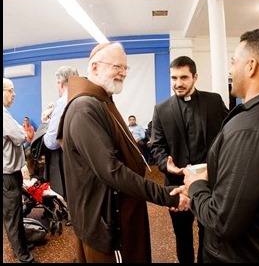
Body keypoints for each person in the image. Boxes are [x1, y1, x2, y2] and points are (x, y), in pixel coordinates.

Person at [171, 29, 259, 263]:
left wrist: (196, 186)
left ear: (251, 66)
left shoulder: (250, 128)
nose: (230, 70)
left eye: (233, 62)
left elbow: (223, 221)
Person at [56, 42, 189, 263]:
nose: (124, 73)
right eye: (117, 66)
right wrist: (167, 196)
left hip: (119, 208)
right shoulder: (84, 108)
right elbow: (112, 171)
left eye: (126, 68)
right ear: (95, 67)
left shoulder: (100, 101)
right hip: (107, 220)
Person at [150, 55, 229, 263]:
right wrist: (166, 166)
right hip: (177, 185)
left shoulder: (214, 101)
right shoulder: (161, 109)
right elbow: (157, 146)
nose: (178, 83)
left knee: (209, 234)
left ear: (195, 76)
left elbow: (228, 135)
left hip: (210, 184)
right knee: (182, 236)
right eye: (174, 78)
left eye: (183, 77)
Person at [3, 77, 36, 263]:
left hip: (9, 173)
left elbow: (21, 132)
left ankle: (21, 246)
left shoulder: (6, 114)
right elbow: (19, 136)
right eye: (10, 90)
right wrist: (22, 133)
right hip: (7, 174)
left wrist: (22, 133)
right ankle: (23, 256)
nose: (14, 94)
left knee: (14, 213)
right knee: (13, 215)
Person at [43, 66, 79, 201]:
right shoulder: (85, 96)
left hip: (70, 159)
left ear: (60, 83)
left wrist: (45, 123)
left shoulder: (63, 101)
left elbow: (51, 142)